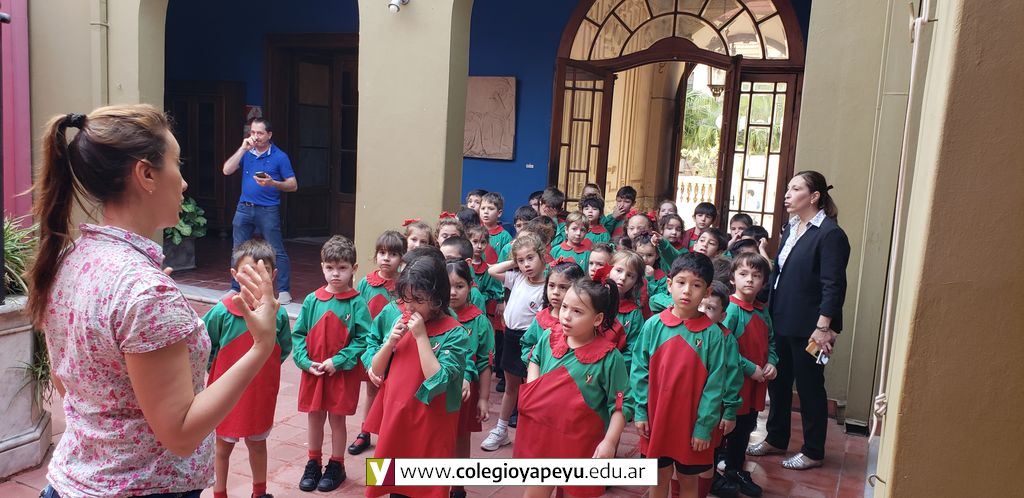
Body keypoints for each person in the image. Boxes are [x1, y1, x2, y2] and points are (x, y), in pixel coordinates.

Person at [30, 105, 280, 498]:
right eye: (177, 164)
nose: (184, 182)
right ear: (146, 174)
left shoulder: (70, 260)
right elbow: (180, 435)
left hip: (72, 483)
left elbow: (73, 387)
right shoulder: (144, 291)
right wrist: (261, 345)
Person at [747, 171, 850, 471]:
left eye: (795, 189)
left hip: (812, 328)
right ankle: (776, 438)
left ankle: (813, 451)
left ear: (814, 196)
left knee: (810, 386)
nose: (787, 195)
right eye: (788, 189)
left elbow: (834, 285)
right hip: (781, 319)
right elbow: (782, 275)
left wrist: (823, 327)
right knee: (778, 383)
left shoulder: (830, 234)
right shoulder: (791, 226)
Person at [363, 248, 469, 498]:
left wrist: (421, 336)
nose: (409, 306)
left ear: (438, 297)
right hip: (397, 415)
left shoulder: (454, 332)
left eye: (418, 299)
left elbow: (438, 380)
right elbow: (376, 370)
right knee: (394, 484)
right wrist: (390, 343)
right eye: (405, 298)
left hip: (431, 422)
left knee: (426, 486)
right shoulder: (399, 319)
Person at [515, 278, 630, 498]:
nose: (566, 315)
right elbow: (535, 358)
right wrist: (533, 388)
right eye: (565, 307)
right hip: (545, 433)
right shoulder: (550, 336)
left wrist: (609, 442)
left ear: (597, 319)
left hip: (582, 441)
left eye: (577, 311)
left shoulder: (610, 357)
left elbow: (620, 404)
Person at [632, 252, 730, 498]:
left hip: (692, 424)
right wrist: (641, 411)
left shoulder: (713, 335)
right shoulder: (653, 325)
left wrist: (704, 427)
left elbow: (715, 385)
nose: (687, 291)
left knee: (688, 480)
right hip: (656, 419)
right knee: (658, 477)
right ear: (669, 284)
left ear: (707, 291)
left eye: (696, 285)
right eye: (681, 282)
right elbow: (639, 371)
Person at [204, 239, 293, 498]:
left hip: (259, 393)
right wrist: (217, 372)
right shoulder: (221, 313)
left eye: (261, 272)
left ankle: (259, 492)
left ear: (273, 276)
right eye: (247, 272)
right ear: (234, 274)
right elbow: (205, 346)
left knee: (257, 443)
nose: (254, 278)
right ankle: (219, 492)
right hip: (224, 394)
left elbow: (283, 348)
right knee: (222, 447)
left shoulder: (278, 314)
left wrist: (265, 373)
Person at [292, 236, 371, 492]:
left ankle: (337, 465)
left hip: (341, 374)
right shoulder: (312, 300)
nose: (335, 273)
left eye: (342, 268)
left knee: (337, 420)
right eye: (330, 267)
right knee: (314, 418)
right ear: (322, 267)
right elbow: (298, 335)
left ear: (353, 268)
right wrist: (305, 362)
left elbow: (364, 339)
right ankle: (313, 462)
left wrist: (339, 360)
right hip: (314, 372)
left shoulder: (357, 302)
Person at [481, 233, 548, 451]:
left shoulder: (547, 287)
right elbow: (492, 271)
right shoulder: (517, 278)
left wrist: (521, 257)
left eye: (530, 258)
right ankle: (501, 430)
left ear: (542, 256)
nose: (526, 264)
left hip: (531, 341)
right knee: (511, 387)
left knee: (531, 389)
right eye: (521, 260)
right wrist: (514, 261)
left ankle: (532, 435)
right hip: (511, 337)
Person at [222, 117, 297, 304]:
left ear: (269, 135)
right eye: (253, 132)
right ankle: (235, 287)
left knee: (276, 249)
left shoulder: (280, 157)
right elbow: (227, 170)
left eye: (260, 133)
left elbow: (293, 185)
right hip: (244, 207)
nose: (255, 136)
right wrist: (242, 149)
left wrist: (273, 183)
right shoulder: (247, 152)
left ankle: (284, 290)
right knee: (237, 249)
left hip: (268, 209)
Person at [719, 253, 776, 496]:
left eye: (756, 275)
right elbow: (724, 347)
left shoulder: (762, 310)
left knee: (746, 427)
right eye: (743, 274)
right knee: (727, 428)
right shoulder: (731, 310)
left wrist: (772, 362)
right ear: (733, 278)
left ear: (764, 282)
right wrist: (750, 368)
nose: (750, 280)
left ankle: (735, 469)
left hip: (755, 384)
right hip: (735, 384)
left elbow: (771, 341)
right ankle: (715, 473)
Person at [350, 230, 406, 456]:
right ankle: (365, 431)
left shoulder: (404, 284)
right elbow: (358, 312)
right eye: (382, 253)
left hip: (398, 347)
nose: (386, 258)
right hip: (373, 347)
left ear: (402, 258)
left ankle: (388, 434)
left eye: (393, 254)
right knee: (372, 388)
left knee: (392, 393)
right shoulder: (366, 283)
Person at [447, 259, 495, 498]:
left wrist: (483, 398)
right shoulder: (435, 315)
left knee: (461, 437)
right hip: (438, 389)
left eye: (459, 286)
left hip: (466, 392)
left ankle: (458, 487)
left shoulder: (479, 321)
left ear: (470, 286)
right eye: (448, 286)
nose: (453, 292)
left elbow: (485, 363)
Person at [519, 258, 585, 364]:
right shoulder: (541, 319)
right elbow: (527, 344)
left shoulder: (581, 320)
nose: (555, 292)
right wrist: (533, 363)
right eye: (551, 285)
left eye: (563, 287)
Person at [608, 250, 646, 372]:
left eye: (630, 275)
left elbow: (633, 350)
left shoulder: (634, 314)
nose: (623, 278)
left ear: (636, 282)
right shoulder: (592, 299)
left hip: (614, 370)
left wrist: (610, 368)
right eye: (619, 270)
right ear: (609, 269)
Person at [480, 192, 512, 263]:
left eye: (491, 209)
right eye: (482, 208)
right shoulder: (474, 232)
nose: (486, 212)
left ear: (499, 213)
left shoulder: (505, 236)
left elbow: (507, 262)